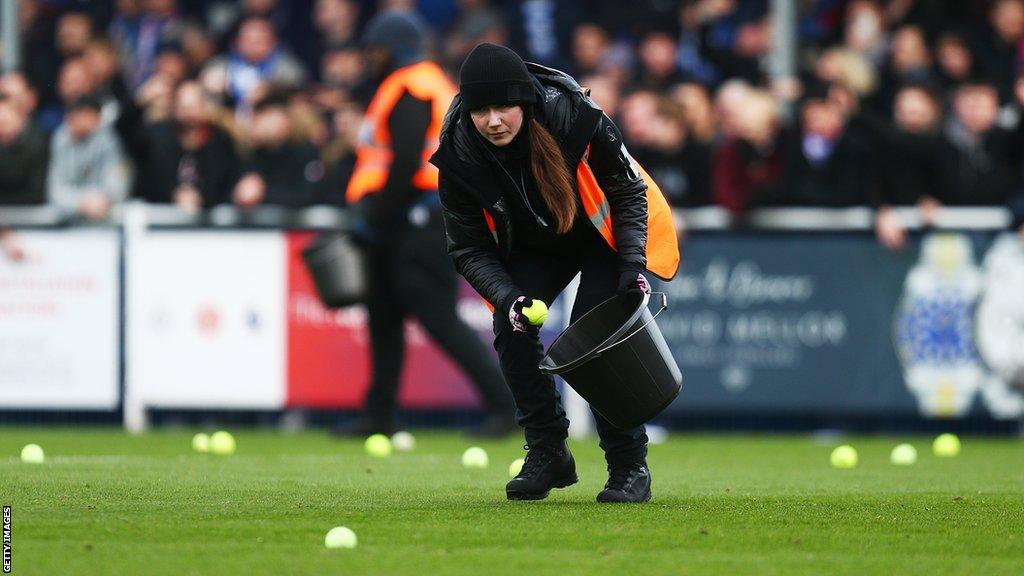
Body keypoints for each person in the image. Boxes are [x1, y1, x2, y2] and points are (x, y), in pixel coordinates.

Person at [431, 43, 679, 502]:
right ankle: (548, 453)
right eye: (481, 110)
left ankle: (629, 467)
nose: (494, 120)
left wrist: (630, 265)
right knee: (511, 328)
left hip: (601, 231)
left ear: (524, 102)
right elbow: (467, 248)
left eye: (504, 106)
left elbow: (628, 191)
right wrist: (509, 298)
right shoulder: (458, 155)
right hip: (540, 243)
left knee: (598, 338)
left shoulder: (573, 114)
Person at [338, 12, 516, 438]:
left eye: (375, 49)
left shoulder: (412, 87)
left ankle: (507, 407)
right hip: (404, 217)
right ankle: (379, 413)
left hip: (413, 220)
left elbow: (402, 164)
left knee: (438, 317)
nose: (371, 57)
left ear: (394, 48)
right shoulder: (422, 83)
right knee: (382, 315)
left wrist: (373, 220)